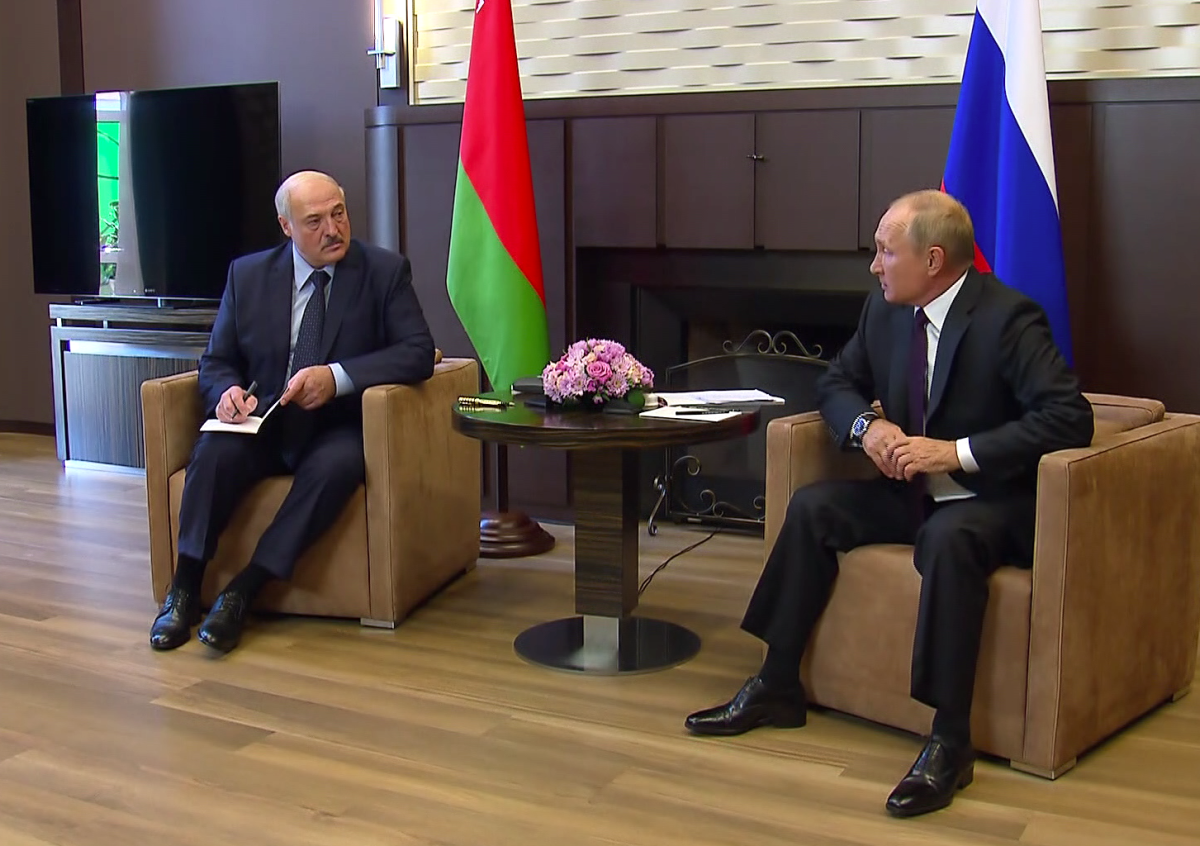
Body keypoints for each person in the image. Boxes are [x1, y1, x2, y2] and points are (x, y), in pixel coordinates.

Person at [683, 190, 1093, 817]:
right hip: (911, 492)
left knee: (950, 539)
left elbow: (1069, 418)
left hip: (992, 500)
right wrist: (866, 429)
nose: (874, 266)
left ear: (933, 260)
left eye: (885, 252)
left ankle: (950, 742)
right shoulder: (885, 310)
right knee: (814, 508)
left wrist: (954, 453)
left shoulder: (1009, 319)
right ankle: (777, 682)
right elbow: (837, 382)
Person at [149, 170, 436, 654]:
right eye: (315, 221)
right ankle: (184, 586)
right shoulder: (247, 275)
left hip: (336, 426)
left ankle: (244, 590)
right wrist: (226, 392)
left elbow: (418, 351)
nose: (333, 230)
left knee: (337, 466)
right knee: (213, 451)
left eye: (338, 214)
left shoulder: (384, 272)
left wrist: (336, 377)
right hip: (263, 420)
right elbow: (217, 360)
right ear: (286, 227)